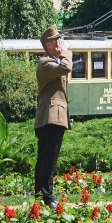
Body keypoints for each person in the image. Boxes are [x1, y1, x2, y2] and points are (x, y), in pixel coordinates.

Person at [35, 25, 72, 208]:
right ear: (48, 44)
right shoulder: (45, 63)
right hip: (49, 117)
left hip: (55, 117)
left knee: (50, 157)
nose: (61, 42)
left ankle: (43, 194)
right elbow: (66, 67)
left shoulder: (53, 62)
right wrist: (66, 52)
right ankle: (46, 197)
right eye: (57, 39)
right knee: (47, 158)